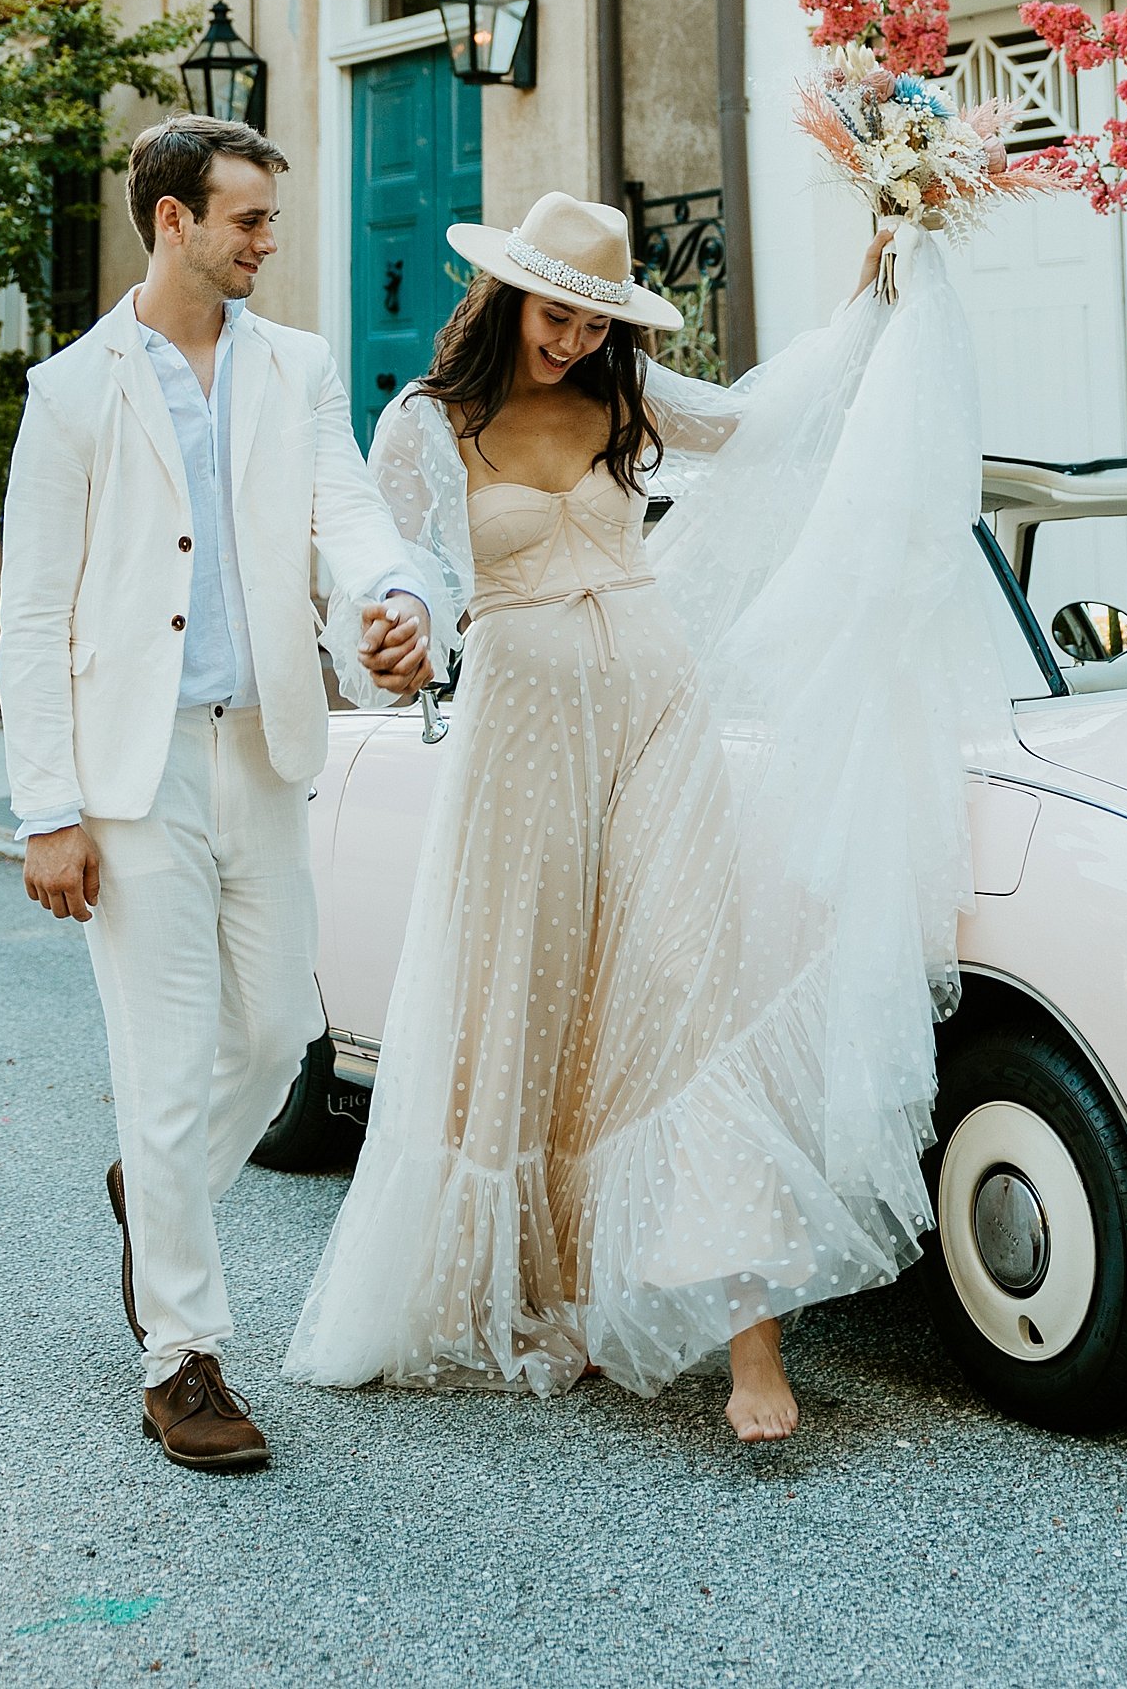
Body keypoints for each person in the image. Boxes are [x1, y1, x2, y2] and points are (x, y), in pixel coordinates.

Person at [287, 191, 1011, 1442]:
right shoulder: (429, 422)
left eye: (593, 322)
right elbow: (371, 586)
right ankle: (529, 1282)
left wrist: (871, 287)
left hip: (656, 712)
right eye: (556, 316)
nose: (570, 342)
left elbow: (771, 422)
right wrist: (388, 644)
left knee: (690, 983)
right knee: (524, 993)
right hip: (518, 735)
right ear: (509, 295)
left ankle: (751, 1348)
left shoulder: (630, 400)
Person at [0, 114, 434, 1473]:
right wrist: (46, 806)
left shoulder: (294, 367)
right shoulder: (73, 393)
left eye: (269, 219)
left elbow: (345, 511)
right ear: (173, 220)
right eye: (247, 219)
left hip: (262, 749)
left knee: (273, 1038)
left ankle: (157, 1184)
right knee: (166, 1059)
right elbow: (31, 614)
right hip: (132, 777)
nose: (268, 243)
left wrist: (394, 594)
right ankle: (182, 1359)